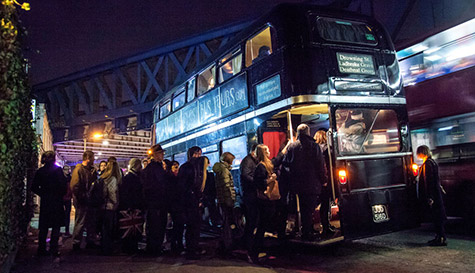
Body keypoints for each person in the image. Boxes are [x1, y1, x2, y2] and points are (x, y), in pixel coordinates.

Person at [283, 124, 325, 241]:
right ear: (308, 132)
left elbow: (286, 164)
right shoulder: (314, 146)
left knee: (302, 208)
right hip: (312, 183)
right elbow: (320, 165)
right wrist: (323, 180)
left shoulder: (292, 147)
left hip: (297, 185)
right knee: (309, 209)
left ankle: (304, 230)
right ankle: (307, 232)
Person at [32, 151, 67, 257]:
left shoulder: (40, 171)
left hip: (46, 202)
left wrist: (43, 194)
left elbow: (33, 187)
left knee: (44, 227)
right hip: (56, 202)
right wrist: (60, 195)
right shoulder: (58, 171)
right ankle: (53, 248)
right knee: (56, 227)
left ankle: (41, 249)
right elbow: (63, 186)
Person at [249, 144, 277, 263]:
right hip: (264, 200)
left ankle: (257, 251)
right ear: (263, 153)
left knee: (263, 225)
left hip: (267, 199)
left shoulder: (266, 165)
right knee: (262, 226)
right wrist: (271, 179)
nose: (269, 152)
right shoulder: (260, 167)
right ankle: (254, 253)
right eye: (267, 150)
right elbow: (259, 183)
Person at [178, 155, 209, 260]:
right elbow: (194, 188)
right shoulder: (195, 173)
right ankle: (191, 250)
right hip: (192, 204)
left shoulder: (187, 169)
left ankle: (191, 249)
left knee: (192, 227)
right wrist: (198, 199)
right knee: (193, 227)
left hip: (190, 203)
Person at [417, 145, 447, 246]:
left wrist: (430, 197)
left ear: (422, 152)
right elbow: (436, 179)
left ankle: (440, 238)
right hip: (437, 193)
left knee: (436, 217)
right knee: (439, 216)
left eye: (418, 153)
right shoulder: (433, 162)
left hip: (433, 195)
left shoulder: (427, 165)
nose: (418, 155)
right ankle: (440, 237)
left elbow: (428, 181)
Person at [141, 144, 169, 255]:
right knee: (157, 226)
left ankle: (154, 247)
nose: (163, 155)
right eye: (161, 153)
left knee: (153, 226)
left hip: (153, 203)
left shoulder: (151, 168)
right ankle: (155, 248)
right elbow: (160, 185)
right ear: (156, 155)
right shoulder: (155, 168)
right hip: (157, 203)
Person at [71, 150, 98, 250]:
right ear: (88, 158)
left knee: (89, 222)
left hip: (88, 200)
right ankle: (76, 243)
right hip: (82, 201)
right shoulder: (79, 170)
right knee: (81, 222)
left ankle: (88, 241)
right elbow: (75, 186)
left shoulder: (90, 170)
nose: (94, 160)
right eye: (92, 158)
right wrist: (82, 196)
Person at [118, 158, 144, 254]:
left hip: (132, 206)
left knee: (132, 228)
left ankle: (130, 246)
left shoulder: (129, 177)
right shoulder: (132, 178)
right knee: (132, 228)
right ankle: (130, 247)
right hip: (132, 207)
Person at [213, 152, 236, 255]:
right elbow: (227, 186)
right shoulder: (224, 170)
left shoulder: (220, 169)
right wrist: (230, 200)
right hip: (226, 200)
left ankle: (225, 245)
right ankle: (228, 247)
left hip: (222, 200)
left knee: (225, 223)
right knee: (227, 223)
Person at [314, 130, 336, 237]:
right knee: (326, 203)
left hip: (316, 180)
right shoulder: (327, 148)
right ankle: (326, 225)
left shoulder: (314, 149)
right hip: (327, 179)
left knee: (322, 203)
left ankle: (324, 225)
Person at [240, 144, 259, 252]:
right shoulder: (247, 161)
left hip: (250, 193)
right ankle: (247, 243)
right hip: (249, 194)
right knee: (251, 219)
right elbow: (246, 176)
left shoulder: (251, 161)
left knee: (252, 219)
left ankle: (248, 241)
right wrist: (258, 182)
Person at [100, 160, 121, 255]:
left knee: (104, 229)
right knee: (109, 229)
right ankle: (108, 249)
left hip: (103, 206)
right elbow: (112, 193)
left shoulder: (103, 177)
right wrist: (116, 203)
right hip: (110, 206)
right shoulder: (112, 179)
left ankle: (104, 247)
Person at [164, 160, 185, 254]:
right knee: (176, 225)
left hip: (178, 204)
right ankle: (175, 244)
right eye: (175, 167)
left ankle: (178, 244)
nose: (178, 169)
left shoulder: (178, 177)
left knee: (179, 225)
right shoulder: (170, 178)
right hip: (173, 205)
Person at [62, 165, 73, 238]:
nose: (67, 171)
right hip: (63, 198)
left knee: (67, 215)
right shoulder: (67, 178)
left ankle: (66, 230)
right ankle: (65, 230)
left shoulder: (70, 178)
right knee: (63, 214)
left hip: (67, 198)